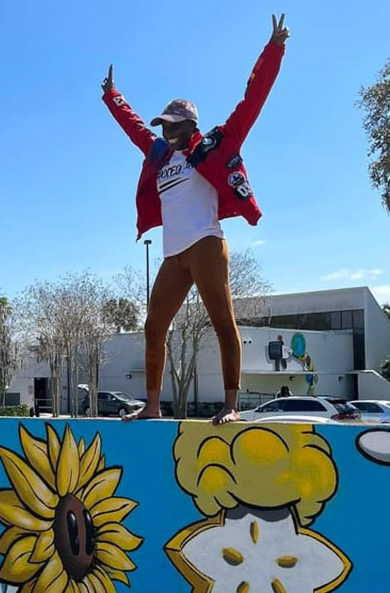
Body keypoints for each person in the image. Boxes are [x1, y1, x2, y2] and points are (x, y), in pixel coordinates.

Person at [102, 15, 289, 425]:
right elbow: (134, 128)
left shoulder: (214, 146)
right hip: (174, 254)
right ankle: (152, 405)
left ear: (191, 126)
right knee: (154, 327)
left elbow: (252, 100)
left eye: (172, 127)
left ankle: (231, 405)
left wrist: (273, 49)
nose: (165, 132)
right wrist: (112, 96)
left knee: (223, 322)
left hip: (205, 243)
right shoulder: (161, 156)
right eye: (163, 127)